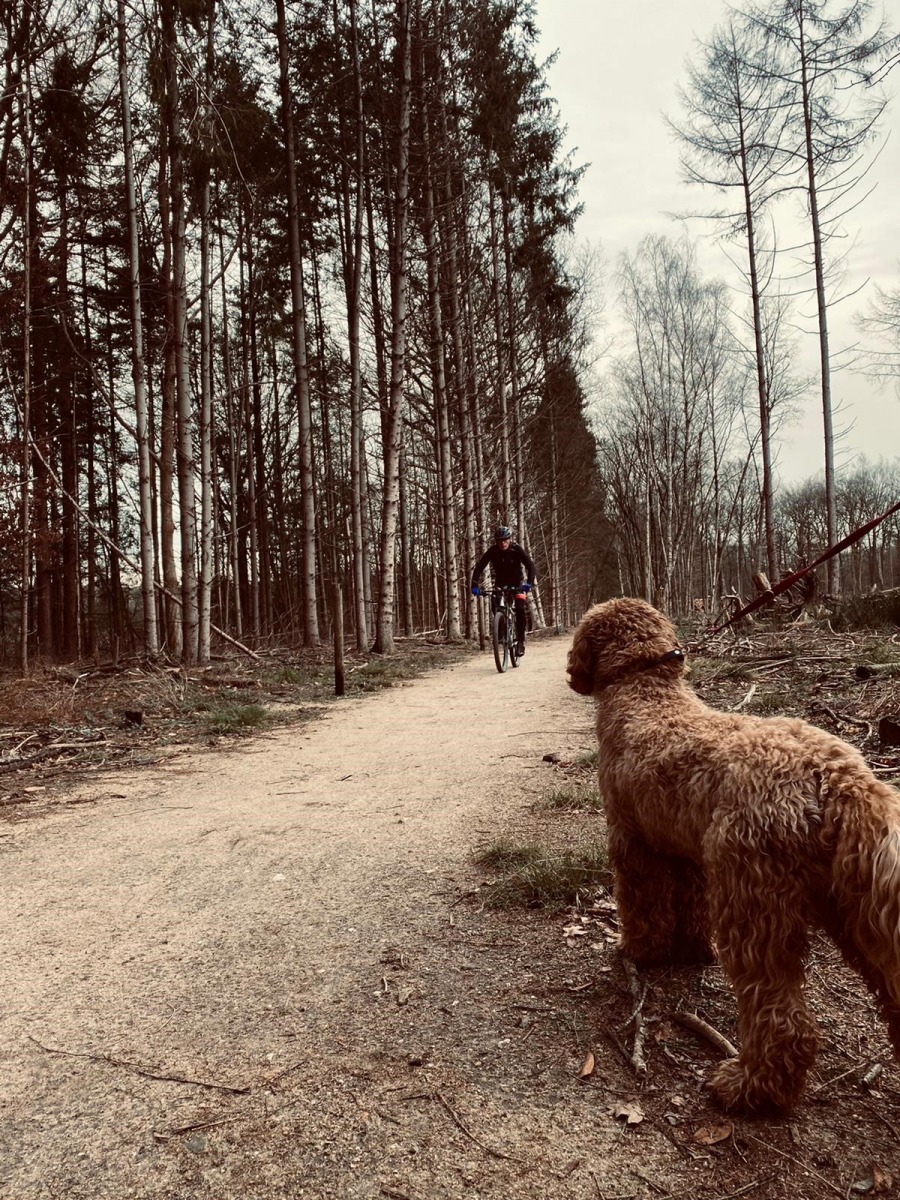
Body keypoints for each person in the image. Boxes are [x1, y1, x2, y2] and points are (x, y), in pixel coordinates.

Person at [471, 526, 536, 656]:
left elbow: (530, 566)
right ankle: (500, 630)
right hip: (501, 583)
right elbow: (479, 567)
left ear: (509, 539)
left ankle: (521, 641)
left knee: (519, 607)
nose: (503, 543)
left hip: (518, 583)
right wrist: (474, 585)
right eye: (500, 540)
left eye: (505, 540)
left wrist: (529, 583)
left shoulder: (516, 549)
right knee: (495, 603)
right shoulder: (493, 551)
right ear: (496, 541)